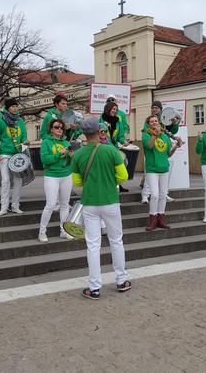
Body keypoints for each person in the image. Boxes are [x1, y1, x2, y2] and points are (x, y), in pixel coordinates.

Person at [71, 117, 131, 299]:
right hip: (111, 201)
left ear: (84, 134)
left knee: (93, 245)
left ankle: (94, 287)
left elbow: (77, 182)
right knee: (116, 241)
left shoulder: (78, 154)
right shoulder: (111, 150)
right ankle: (121, 280)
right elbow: (123, 176)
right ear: (99, 131)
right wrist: (110, 181)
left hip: (90, 203)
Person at [143, 114, 181, 231]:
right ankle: (153, 218)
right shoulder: (146, 134)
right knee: (154, 195)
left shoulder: (164, 136)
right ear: (148, 124)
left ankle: (161, 217)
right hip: (152, 169)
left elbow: (168, 154)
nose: (154, 123)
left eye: (156, 121)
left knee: (163, 195)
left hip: (164, 169)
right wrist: (155, 134)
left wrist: (176, 146)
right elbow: (149, 146)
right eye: (152, 121)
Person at [38, 119, 74, 242]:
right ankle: (42, 232)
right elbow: (45, 160)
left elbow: (70, 162)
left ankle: (64, 231)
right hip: (51, 176)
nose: (59, 129)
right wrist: (59, 154)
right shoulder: (46, 142)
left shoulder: (66, 142)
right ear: (51, 129)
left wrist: (71, 157)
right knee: (51, 204)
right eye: (56, 127)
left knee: (64, 205)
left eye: (61, 127)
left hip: (66, 175)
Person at [0, 98, 29, 216]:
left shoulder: (20, 121)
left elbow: (23, 136)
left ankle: (15, 206)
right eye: (12, 106)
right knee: (6, 180)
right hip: (5, 154)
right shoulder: (1, 121)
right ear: (7, 108)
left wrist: (25, 142)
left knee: (18, 180)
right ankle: (4, 207)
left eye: (16, 106)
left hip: (17, 155)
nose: (15, 108)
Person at [140, 100, 181, 204]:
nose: (154, 109)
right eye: (153, 107)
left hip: (162, 146)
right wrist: (155, 132)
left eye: (156, 108)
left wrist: (175, 123)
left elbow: (173, 130)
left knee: (164, 172)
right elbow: (147, 131)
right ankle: (145, 195)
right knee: (149, 172)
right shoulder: (149, 120)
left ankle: (164, 194)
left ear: (160, 109)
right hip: (152, 146)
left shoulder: (165, 118)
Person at [100, 100, 129, 192]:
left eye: (116, 109)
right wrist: (111, 146)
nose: (114, 111)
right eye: (113, 109)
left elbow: (120, 135)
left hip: (114, 148)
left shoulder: (118, 121)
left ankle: (117, 184)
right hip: (104, 148)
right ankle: (106, 186)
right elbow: (102, 136)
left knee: (123, 162)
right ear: (108, 109)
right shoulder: (102, 120)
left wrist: (123, 141)